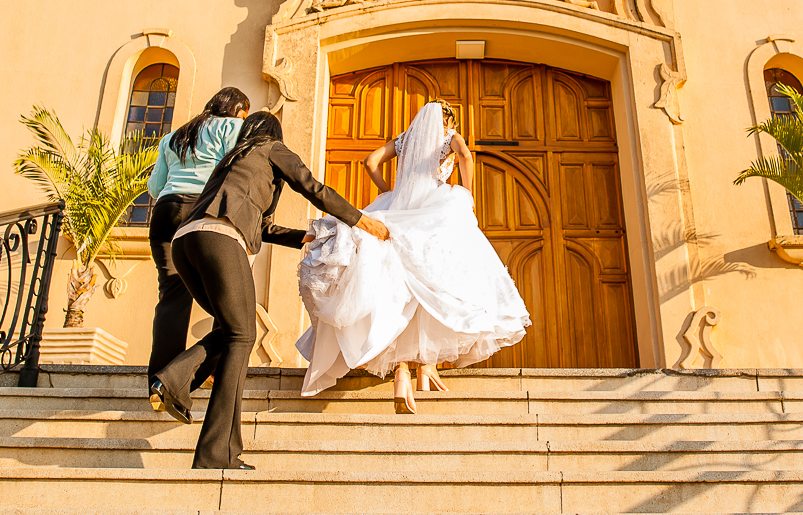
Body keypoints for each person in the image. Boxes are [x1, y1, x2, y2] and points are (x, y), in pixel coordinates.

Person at [149, 111, 390, 470]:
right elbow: (312, 187)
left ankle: (180, 387)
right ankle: (207, 436)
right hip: (219, 239)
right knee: (241, 335)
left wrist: (304, 237)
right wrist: (361, 219)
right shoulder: (270, 147)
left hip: (186, 242)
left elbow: (262, 226)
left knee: (233, 332)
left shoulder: (231, 162)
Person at [297, 100, 530, 413]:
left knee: (401, 287)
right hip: (434, 208)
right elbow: (465, 155)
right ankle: (424, 368)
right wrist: (468, 191)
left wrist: (386, 191)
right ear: (449, 121)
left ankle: (409, 371)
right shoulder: (450, 137)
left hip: (400, 208)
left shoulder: (404, 139)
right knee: (436, 283)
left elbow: (370, 161)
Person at [145, 87, 249, 402]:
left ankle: (158, 383)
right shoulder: (234, 128)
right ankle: (204, 373)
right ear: (238, 110)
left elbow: (154, 187)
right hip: (203, 211)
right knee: (224, 293)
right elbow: (238, 171)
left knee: (171, 297)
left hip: (165, 211)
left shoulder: (175, 136)